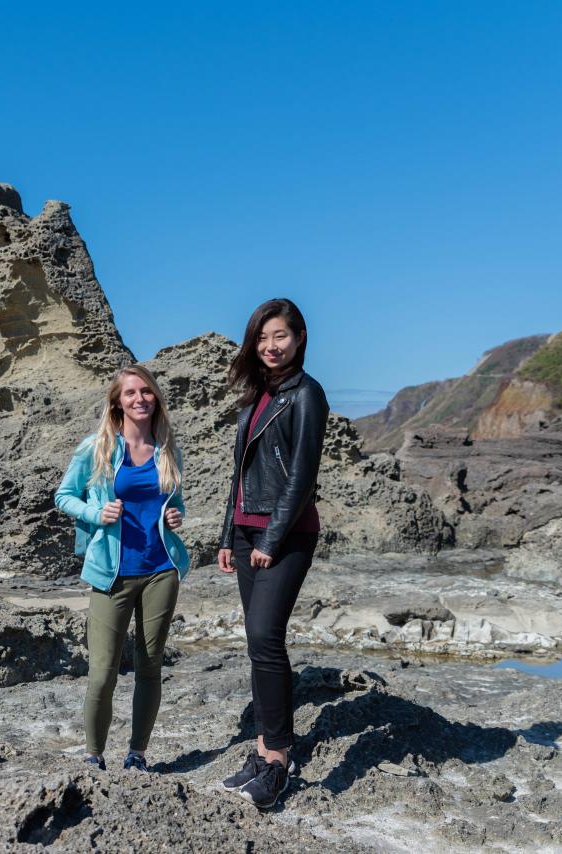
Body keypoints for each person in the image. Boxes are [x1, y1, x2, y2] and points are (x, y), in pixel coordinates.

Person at [216, 298, 328, 809]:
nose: (270, 346)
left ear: (299, 337)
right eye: (263, 339)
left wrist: (269, 540)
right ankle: (264, 751)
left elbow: (302, 477)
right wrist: (227, 536)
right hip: (246, 536)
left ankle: (279, 759)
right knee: (258, 644)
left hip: (285, 536)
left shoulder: (307, 394)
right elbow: (241, 476)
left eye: (279, 336)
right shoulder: (260, 394)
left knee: (265, 636)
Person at [55, 364, 190, 773]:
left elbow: (174, 504)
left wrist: (177, 518)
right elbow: (64, 496)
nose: (140, 399)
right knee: (102, 673)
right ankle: (94, 755)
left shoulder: (168, 448)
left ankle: (137, 754)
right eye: (131, 393)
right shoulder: (97, 447)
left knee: (150, 667)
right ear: (117, 401)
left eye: (146, 392)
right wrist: (97, 512)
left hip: (161, 570)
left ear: (156, 399)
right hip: (111, 574)